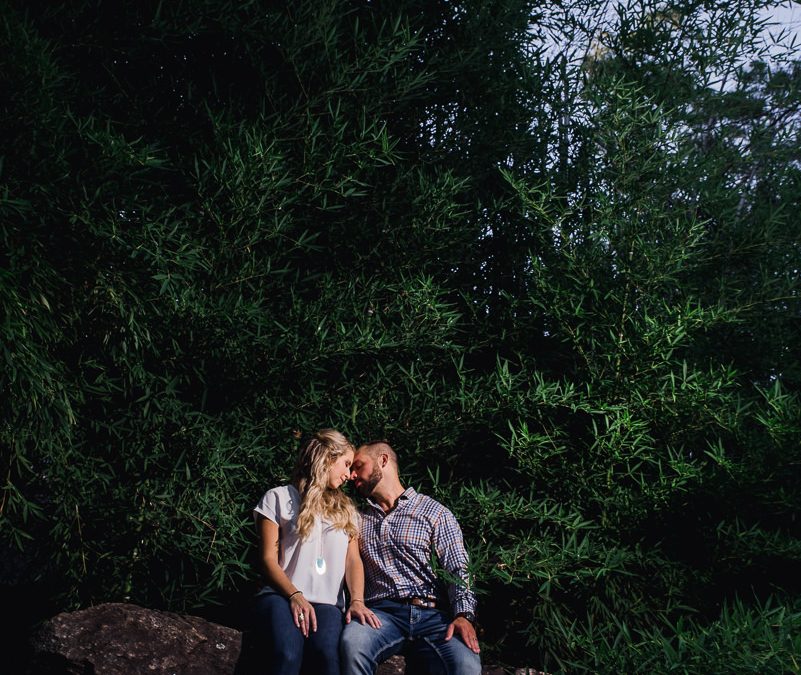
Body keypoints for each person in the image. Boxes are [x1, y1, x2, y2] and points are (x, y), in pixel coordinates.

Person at [341, 441, 482, 675]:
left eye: (359, 465)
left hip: (434, 616)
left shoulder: (434, 512)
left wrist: (463, 615)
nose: (352, 474)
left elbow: (459, 567)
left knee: (466, 665)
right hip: (382, 615)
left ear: (383, 460)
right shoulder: (356, 518)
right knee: (352, 644)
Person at [251, 429, 382, 675]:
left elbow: (353, 561)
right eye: (345, 464)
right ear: (327, 457)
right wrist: (295, 595)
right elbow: (267, 559)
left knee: (327, 657)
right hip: (281, 596)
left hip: (327, 604)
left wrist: (357, 601)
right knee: (286, 653)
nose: (349, 474)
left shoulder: (348, 511)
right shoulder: (277, 497)